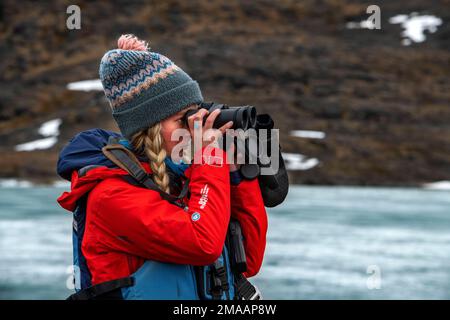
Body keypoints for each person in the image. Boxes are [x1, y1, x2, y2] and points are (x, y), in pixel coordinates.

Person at [57, 34, 268, 300]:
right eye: (184, 119)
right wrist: (208, 156)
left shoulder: (183, 179)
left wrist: (236, 174)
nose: (193, 128)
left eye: (196, 114)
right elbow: (203, 243)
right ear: (151, 126)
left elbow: (248, 260)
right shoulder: (110, 197)